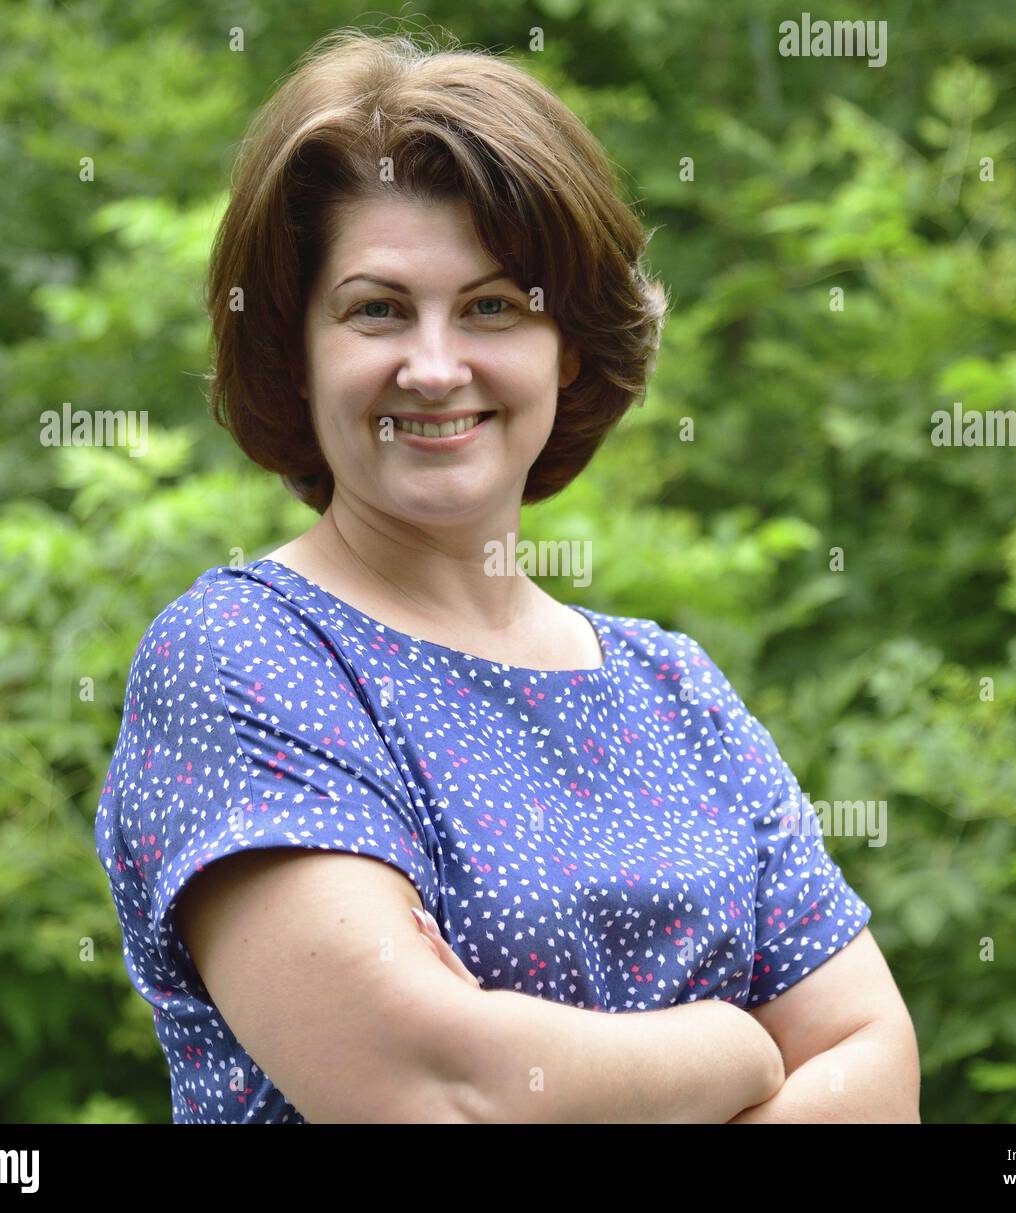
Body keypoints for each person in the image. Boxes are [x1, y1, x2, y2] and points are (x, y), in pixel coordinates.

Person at [94, 26, 918, 1124]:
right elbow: (438, 1089)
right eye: (377, 308)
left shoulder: (672, 688)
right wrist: (731, 1048)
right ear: (295, 351)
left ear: (566, 346)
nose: (435, 367)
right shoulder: (243, 661)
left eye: (493, 306)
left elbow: (878, 1062)